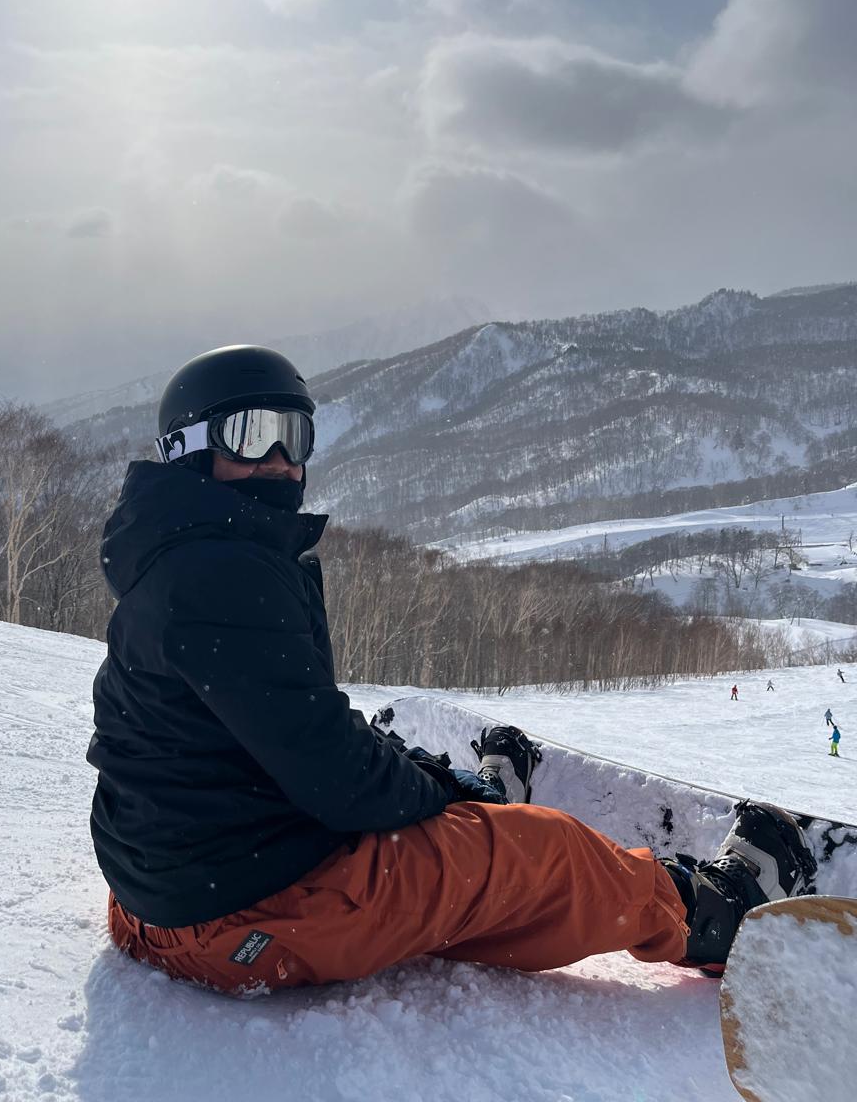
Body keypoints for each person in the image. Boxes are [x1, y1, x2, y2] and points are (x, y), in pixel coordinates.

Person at [87, 345, 817, 996]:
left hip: (165, 902)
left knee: (460, 851)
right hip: (245, 920)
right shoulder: (222, 576)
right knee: (551, 853)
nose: (279, 459)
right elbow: (338, 778)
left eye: (295, 435)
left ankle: (485, 819)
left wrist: (438, 789)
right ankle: (711, 917)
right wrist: (443, 794)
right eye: (251, 434)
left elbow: (288, 731)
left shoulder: (180, 558)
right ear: (188, 451)